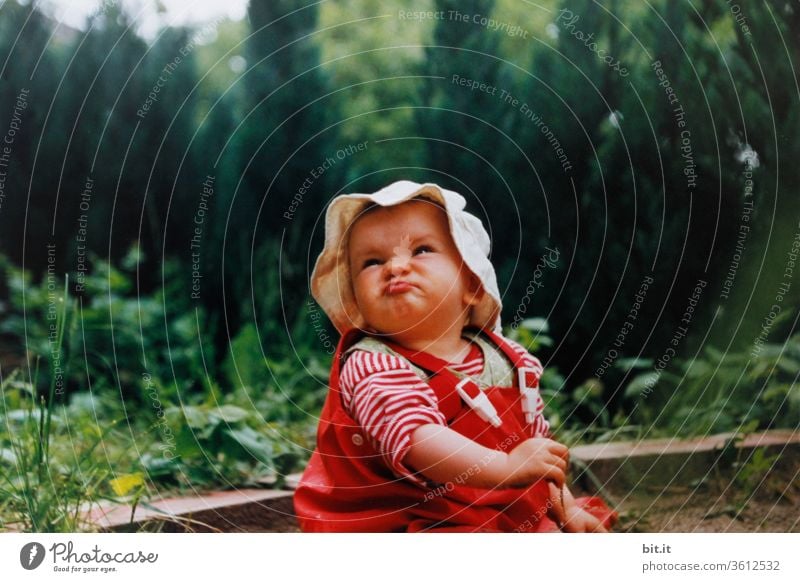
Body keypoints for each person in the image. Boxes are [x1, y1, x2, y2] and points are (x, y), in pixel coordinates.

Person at [294, 180, 616, 532]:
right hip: (409, 514)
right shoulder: (372, 363)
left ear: (473, 285)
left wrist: (563, 507)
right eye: (372, 261)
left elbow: (536, 457)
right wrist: (507, 465)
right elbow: (416, 438)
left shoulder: (510, 361)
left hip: (491, 504)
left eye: (420, 250)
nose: (395, 267)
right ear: (356, 301)